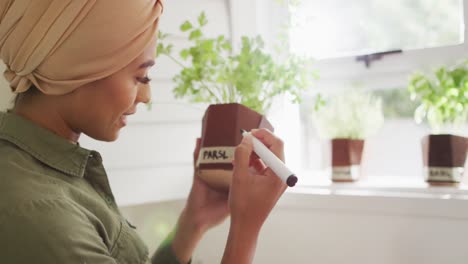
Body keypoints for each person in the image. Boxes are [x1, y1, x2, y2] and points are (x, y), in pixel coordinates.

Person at [0, 0, 288, 263]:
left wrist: (193, 221)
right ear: (78, 67)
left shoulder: (47, 175)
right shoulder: (40, 213)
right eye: (141, 76)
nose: (146, 95)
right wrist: (246, 229)